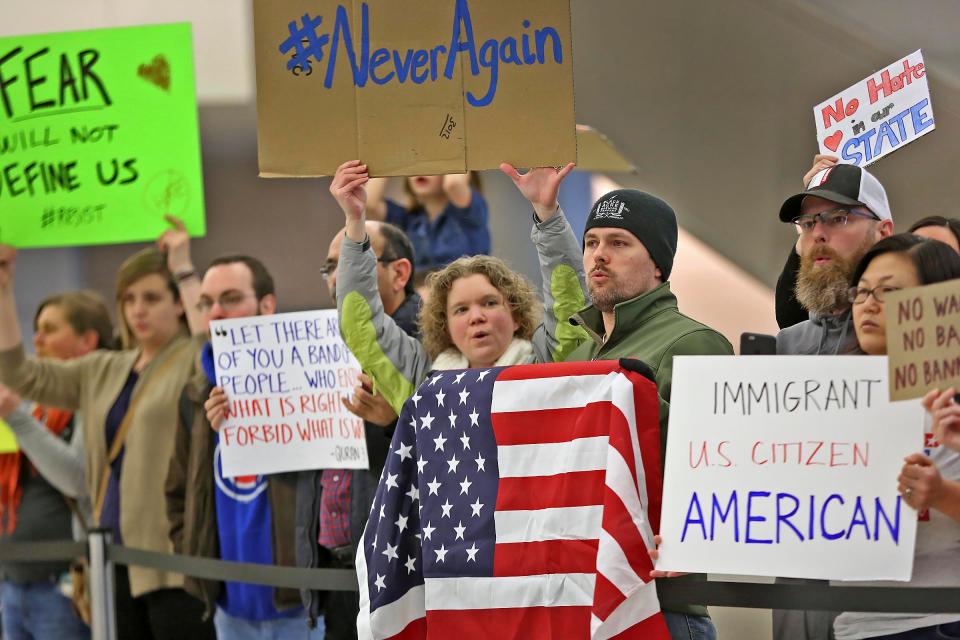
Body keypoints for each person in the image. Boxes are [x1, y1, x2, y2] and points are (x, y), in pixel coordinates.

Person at [500, 163, 733, 640]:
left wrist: (695, 544)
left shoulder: (697, 342)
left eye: (619, 243)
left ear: (659, 265)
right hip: (577, 596)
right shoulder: (580, 349)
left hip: (658, 603)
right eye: (592, 243)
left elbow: (719, 468)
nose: (599, 256)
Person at [0, 219, 214, 640]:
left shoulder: (193, 358)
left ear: (177, 304)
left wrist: (185, 267)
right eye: (129, 298)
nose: (138, 309)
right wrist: (4, 287)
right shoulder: (104, 367)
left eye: (151, 297)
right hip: (110, 556)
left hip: (175, 561)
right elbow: (19, 375)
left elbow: (218, 350)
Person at [330, 160, 587, 414]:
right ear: (447, 328)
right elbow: (359, 325)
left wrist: (548, 213)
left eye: (489, 302)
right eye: (461, 310)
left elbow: (570, 305)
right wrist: (354, 219)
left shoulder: (545, 367)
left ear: (516, 316)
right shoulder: (424, 384)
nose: (477, 317)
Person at [165, 255, 324, 639]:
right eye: (206, 303)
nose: (215, 313)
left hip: (300, 609)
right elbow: (177, 492)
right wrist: (196, 560)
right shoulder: (194, 393)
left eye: (231, 299)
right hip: (228, 606)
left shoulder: (312, 380)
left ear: (266, 305)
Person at [292, 221, 421, 638]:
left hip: (398, 574)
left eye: (352, 263)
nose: (338, 278)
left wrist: (391, 426)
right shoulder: (313, 349)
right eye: (331, 267)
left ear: (399, 273)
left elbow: (451, 464)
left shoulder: (428, 344)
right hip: (336, 571)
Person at [832, 233, 960, 640]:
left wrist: (941, 495)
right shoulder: (826, 399)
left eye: (889, 292)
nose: (869, 304)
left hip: (938, 623)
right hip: (854, 625)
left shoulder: (951, 402)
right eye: (863, 291)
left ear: (939, 304)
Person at [0, 291, 113, 640]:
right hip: (14, 582)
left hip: (62, 585)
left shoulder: (94, 403)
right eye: (36, 329)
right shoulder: (36, 404)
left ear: (87, 340)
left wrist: (16, 418)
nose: (37, 340)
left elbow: (77, 479)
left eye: (49, 329)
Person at [364, 171, 490, 272]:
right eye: (415, 162)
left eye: (432, 162)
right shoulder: (408, 219)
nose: (421, 169)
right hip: (422, 301)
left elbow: (454, 184)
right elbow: (368, 202)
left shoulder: (470, 211)